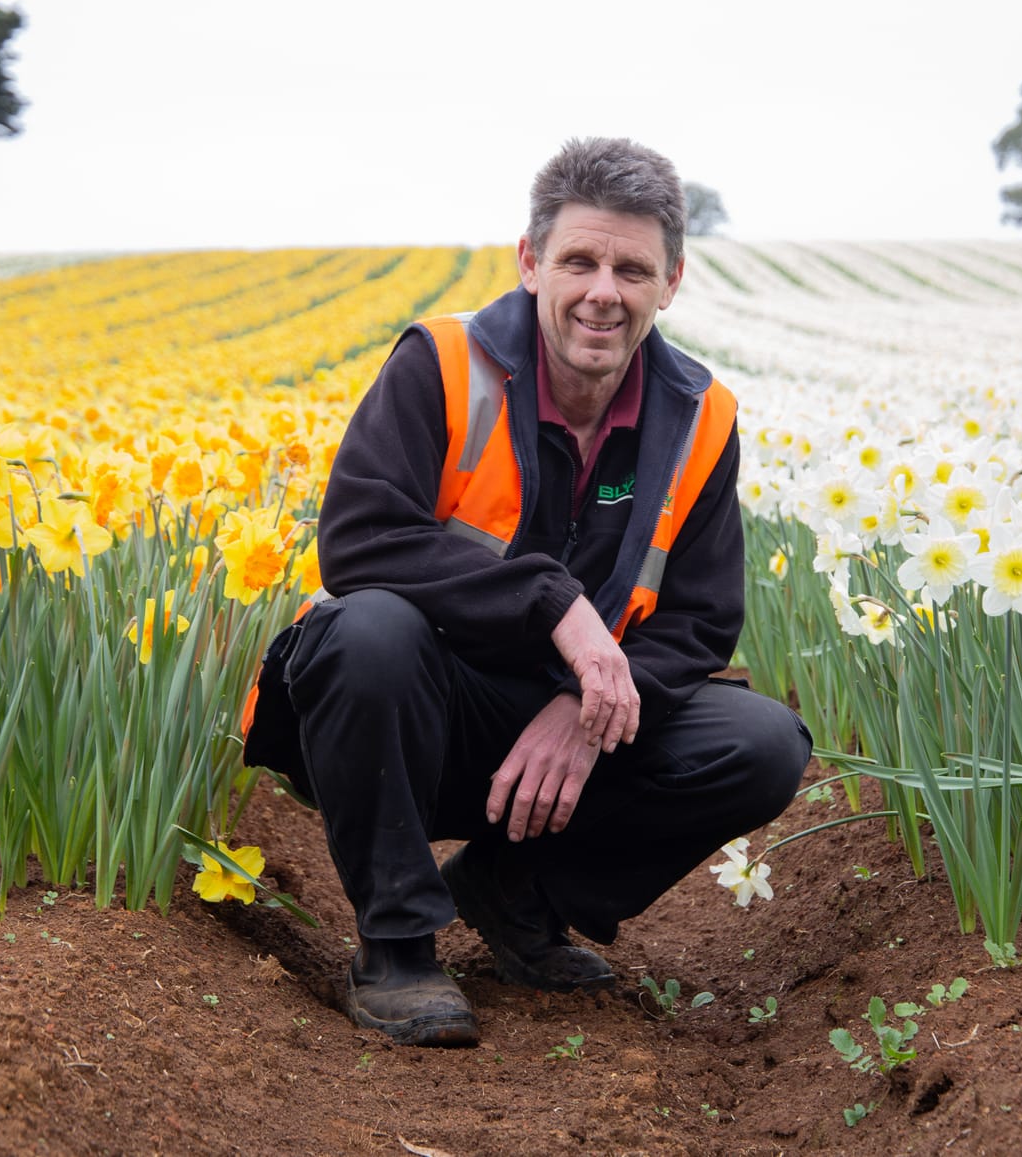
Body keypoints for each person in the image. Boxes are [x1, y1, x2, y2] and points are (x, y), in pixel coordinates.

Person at [242, 136, 811, 1047]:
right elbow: (360, 539)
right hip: (417, 716)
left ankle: (514, 892)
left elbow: (701, 622)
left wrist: (583, 708)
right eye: (580, 260)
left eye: (633, 269)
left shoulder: (702, 416)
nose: (603, 292)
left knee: (763, 744)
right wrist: (557, 607)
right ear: (529, 261)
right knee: (366, 631)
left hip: (566, 736)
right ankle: (396, 947)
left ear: (671, 282)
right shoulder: (442, 362)